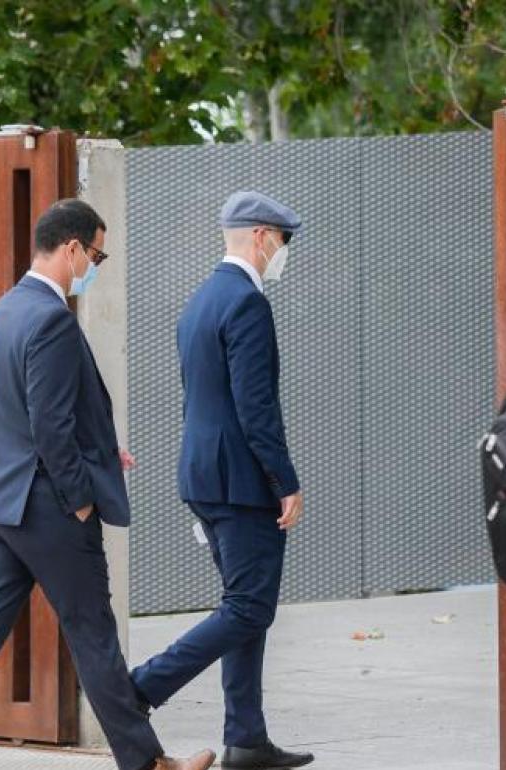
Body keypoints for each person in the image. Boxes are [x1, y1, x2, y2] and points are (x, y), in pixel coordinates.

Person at [0, 199, 214, 770]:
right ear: (72, 249)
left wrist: (103, 450)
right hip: (48, 509)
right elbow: (48, 423)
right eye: (97, 254)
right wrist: (80, 501)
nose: (96, 265)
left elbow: (28, 413)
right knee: (93, 634)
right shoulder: (50, 318)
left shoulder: (3, 310)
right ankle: (147, 765)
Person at [130, 191, 313, 770]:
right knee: (248, 608)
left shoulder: (200, 301)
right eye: (281, 241)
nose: (282, 253)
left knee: (245, 604)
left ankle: (247, 740)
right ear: (260, 236)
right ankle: (140, 688)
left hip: (205, 477)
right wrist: (284, 480)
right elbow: (255, 407)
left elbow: (199, 400)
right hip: (242, 485)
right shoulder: (247, 304)